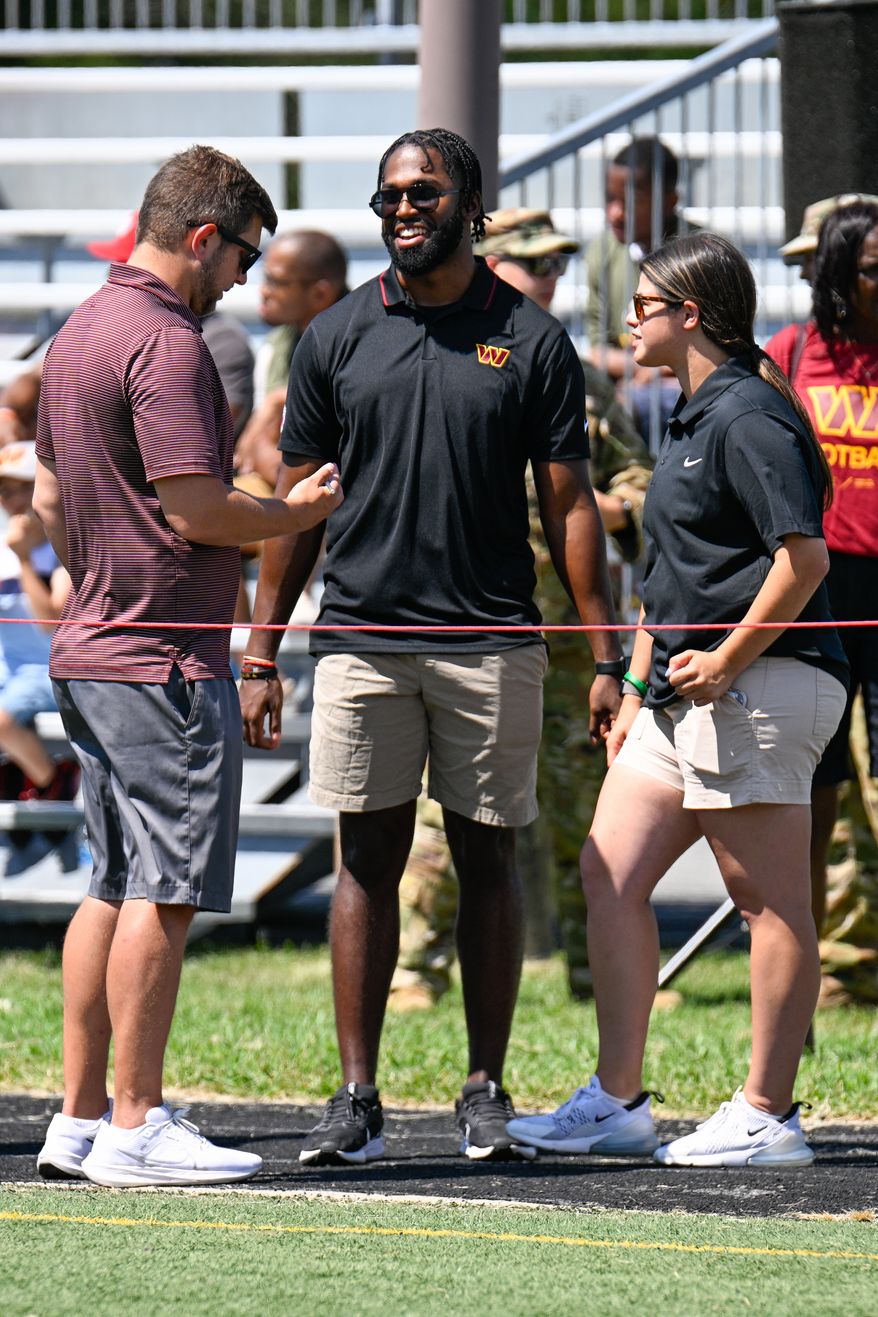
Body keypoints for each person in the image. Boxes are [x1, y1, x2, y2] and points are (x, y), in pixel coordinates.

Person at [240, 128, 624, 1165]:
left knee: (485, 856)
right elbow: (297, 505)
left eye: (424, 192)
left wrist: (605, 656)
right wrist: (261, 651)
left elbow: (570, 505)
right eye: (390, 196)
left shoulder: (531, 338)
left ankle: (484, 1089)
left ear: (472, 209)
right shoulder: (333, 337)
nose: (404, 208)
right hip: (360, 640)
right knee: (364, 860)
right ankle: (355, 1097)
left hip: (490, 641)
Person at [32, 145, 343, 1188]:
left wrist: (104, 568)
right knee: (161, 892)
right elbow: (199, 508)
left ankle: (80, 1119)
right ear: (203, 235)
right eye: (242, 254)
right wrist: (292, 514)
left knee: (112, 884)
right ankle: (135, 1122)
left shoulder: (79, 329)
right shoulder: (169, 340)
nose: (243, 278)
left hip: (94, 647)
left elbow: (46, 498)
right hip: (160, 658)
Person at [507, 232, 848, 1168]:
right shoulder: (691, 416)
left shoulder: (750, 415)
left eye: (643, 305)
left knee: (767, 901)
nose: (627, 320)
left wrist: (729, 660)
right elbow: (670, 585)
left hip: (761, 681)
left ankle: (768, 1113)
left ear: (689, 316)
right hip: (677, 694)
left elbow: (804, 560)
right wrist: (631, 684)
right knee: (609, 871)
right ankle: (618, 1101)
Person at [390, 207, 653, 1009]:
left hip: (567, 637)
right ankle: (415, 971)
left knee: (588, 809)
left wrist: (608, 505)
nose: (549, 278)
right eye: (533, 263)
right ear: (489, 264)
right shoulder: (434, 357)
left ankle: (593, 968)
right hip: (466, 626)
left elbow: (641, 482)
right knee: (444, 812)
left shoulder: (573, 372)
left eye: (558, 265)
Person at [767, 198, 878, 1003]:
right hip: (820, 593)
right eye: (873, 269)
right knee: (815, 792)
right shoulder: (792, 353)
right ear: (838, 273)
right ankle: (799, 980)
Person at [0, 441, 78, 871]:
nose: (11, 500)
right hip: (8, 668)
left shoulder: (64, 544)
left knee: (1, 720)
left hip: (50, 670)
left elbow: (51, 622)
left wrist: (25, 559)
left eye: (20, 489)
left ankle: (52, 781)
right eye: (4, 490)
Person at [585, 138, 689, 442]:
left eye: (632, 202)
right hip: (626, 386)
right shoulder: (602, 253)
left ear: (669, 202)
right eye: (610, 199)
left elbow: (717, 349)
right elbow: (597, 350)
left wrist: (656, 370)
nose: (615, 213)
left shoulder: (700, 253)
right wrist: (643, 367)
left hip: (682, 386)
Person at [237, 231, 349, 497]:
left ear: (320, 293)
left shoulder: (355, 344)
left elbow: (314, 473)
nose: (263, 291)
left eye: (276, 282)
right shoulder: (278, 345)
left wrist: (279, 401)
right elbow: (255, 453)